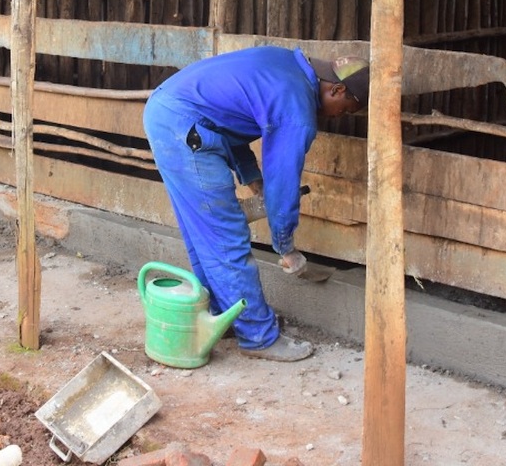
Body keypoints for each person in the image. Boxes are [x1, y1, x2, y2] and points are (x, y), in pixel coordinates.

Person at [142, 46, 369, 362]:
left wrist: (252, 179)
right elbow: (284, 183)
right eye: (346, 109)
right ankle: (258, 336)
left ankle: (225, 316)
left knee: (204, 236)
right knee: (225, 239)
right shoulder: (296, 107)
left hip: (168, 112)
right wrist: (285, 244)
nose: (340, 116)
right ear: (337, 89)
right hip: (185, 127)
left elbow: (228, 117)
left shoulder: (284, 63)